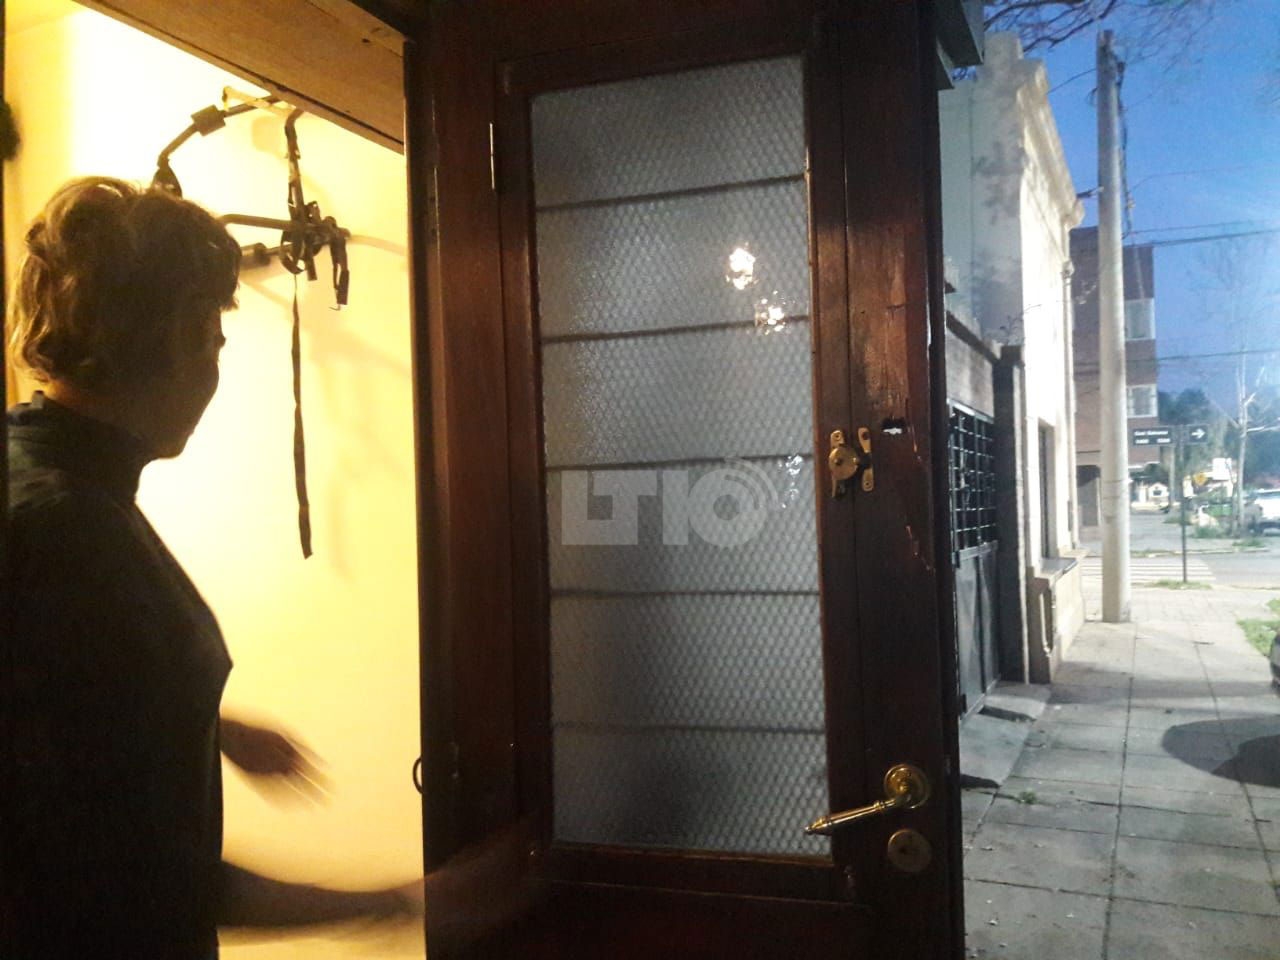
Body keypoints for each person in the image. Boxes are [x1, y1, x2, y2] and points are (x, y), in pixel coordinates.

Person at [0, 177, 530, 958]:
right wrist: (405, 902)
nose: (214, 366)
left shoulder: (33, 474)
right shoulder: (72, 534)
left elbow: (55, 698)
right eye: (214, 339)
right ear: (179, 335)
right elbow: (145, 881)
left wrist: (206, 723)